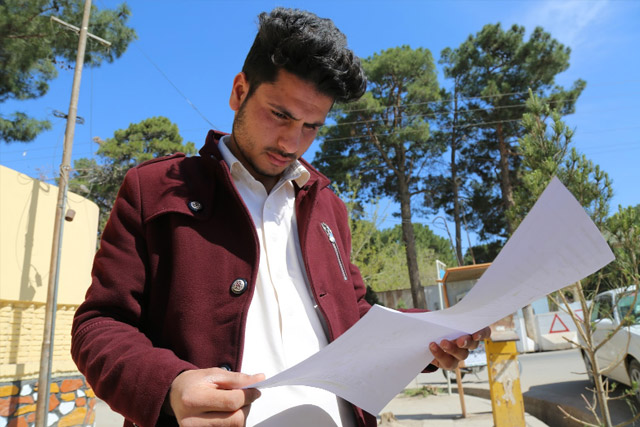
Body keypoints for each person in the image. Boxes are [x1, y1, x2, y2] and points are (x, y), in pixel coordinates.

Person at [71, 7, 490, 427]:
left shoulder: (329, 207)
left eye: (312, 127)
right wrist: (170, 386)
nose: (292, 142)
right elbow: (100, 324)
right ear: (239, 91)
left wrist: (431, 334)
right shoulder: (153, 189)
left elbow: (355, 316)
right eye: (280, 115)